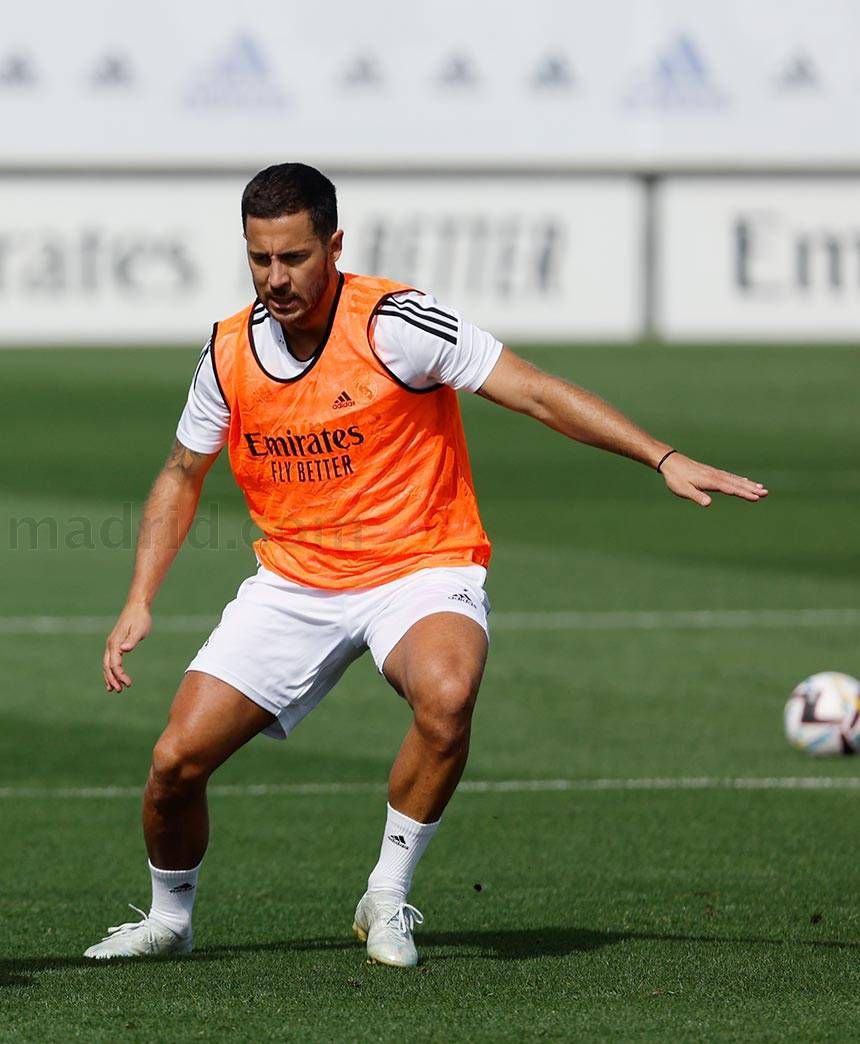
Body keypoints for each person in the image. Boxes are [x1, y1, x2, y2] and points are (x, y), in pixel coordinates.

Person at [85, 163, 766, 967]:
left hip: (419, 566)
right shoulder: (229, 352)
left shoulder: (396, 323)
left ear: (334, 244)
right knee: (174, 763)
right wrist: (139, 599)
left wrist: (661, 456)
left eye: (295, 257)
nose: (277, 278)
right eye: (260, 259)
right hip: (297, 581)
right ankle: (170, 919)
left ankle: (387, 896)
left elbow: (535, 391)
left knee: (446, 695)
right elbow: (179, 474)